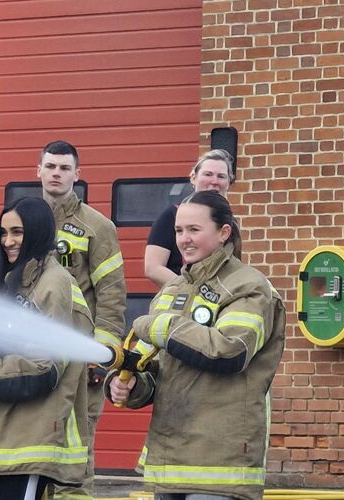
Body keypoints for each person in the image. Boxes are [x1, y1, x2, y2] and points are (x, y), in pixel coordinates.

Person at [107, 190, 285, 500]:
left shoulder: (249, 286)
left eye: (194, 230)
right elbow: (163, 368)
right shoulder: (173, 288)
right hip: (171, 464)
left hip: (220, 465)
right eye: (178, 230)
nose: (184, 239)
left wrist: (162, 326)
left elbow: (229, 350)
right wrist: (134, 384)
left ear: (223, 233)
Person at [0, 197, 95, 500]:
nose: (8, 241)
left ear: (39, 232)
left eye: (17, 232)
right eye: (3, 233)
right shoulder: (9, 282)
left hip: (29, 438)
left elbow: (43, 367)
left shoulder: (54, 284)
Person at [37, 140, 127, 498]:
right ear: (38, 171)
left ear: (77, 174)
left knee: (76, 449)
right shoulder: (24, 219)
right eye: (50, 166)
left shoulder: (97, 227)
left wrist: (103, 351)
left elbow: (112, 295)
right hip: (35, 356)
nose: (56, 173)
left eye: (64, 168)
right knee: (35, 444)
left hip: (78, 359)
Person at [145, 149, 235, 288]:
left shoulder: (231, 222)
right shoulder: (172, 215)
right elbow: (153, 268)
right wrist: (192, 291)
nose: (214, 181)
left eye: (221, 176)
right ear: (193, 178)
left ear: (229, 182)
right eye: (208, 174)